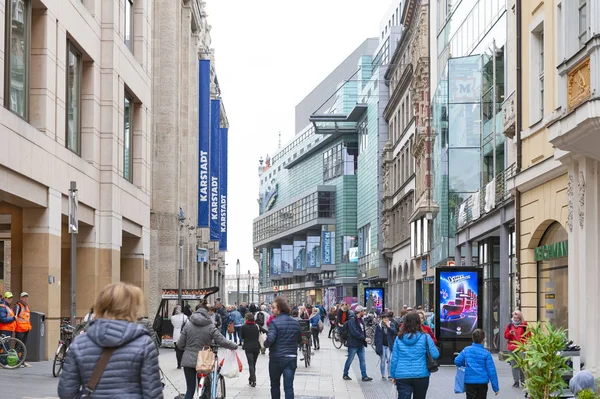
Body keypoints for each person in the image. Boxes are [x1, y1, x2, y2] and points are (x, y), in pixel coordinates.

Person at [57, 282, 163, 398]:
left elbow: (66, 393)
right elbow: (153, 395)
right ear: (132, 308)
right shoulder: (144, 344)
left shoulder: (79, 343)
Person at [177, 299, 237, 399]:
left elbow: (179, 344)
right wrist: (234, 345)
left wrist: (188, 348)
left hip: (188, 360)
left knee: (190, 390)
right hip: (204, 361)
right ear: (207, 313)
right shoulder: (210, 326)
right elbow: (221, 340)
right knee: (206, 389)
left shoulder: (188, 325)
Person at [390, 312, 440, 399]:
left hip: (402, 375)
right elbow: (435, 355)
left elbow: (394, 359)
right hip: (421, 375)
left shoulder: (399, 338)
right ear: (419, 322)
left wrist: (393, 375)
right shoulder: (426, 337)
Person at [264, 297, 301, 399]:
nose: (272, 310)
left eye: (274, 308)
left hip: (276, 358)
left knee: (275, 385)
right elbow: (299, 340)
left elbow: (270, 339)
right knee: (289, 387)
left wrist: (265, 343)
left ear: (279, 308)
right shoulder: (295, 323)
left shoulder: (274, 322)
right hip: (291, 358)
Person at [454, 329, 499, 399]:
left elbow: (457, 361)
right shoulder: (486, 353)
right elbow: (491, 371)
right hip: (482, 382)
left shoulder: (466, 350)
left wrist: (464, 364)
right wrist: (495, 388)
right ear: (483, 339)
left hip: (469, 381)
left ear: (472, 338)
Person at [342, 306, 373, 382]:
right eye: (363, 311)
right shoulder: (352, 320)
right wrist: (364, 338)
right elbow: (354, 332)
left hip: (360, 343)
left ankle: (364, 376)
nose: (364, 313)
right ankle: (345, 374)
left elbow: (362, 331)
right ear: (360, 312)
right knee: (350, 359)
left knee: (362, 360)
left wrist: (364, 339)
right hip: (353, 344)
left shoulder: (361, 320)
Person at [504, 310, 529, 388]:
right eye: (514, 317)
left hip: (521, 348)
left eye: (517, 317)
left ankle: (523, 381)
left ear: (520, 318)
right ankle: (516, 381)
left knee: (522, 365)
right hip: (511, 348)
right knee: (514, 365)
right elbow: (505, 336)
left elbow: (528, 335)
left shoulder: (524, 325)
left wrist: (524, 343)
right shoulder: (510, 325)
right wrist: (510, 334)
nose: (515, 319)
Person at [240, 313, 265, 387]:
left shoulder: (244, 327)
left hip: (248, 347)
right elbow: (265, 331)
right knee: (253, 363)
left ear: (246, 319)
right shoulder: (257, 326)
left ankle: (253, 379)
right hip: (256, 347)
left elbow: (242, 336)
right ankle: (251, 378)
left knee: (250, 363)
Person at [374, 312, 398, 380]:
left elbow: (395, 332)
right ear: (382, 319)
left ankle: (389, 374)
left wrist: (389, 326)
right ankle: (383, 375)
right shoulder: (379, 326)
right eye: (384, 318)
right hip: (382, 345)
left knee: (389, 360)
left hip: (389, 345)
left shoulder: (391, 324)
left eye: (387, 318)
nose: (386, 319)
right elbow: (376, 337)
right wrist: (376, 345)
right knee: (383, 360)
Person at [171, 305, 188, 369]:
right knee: (183, 350)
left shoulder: (172, 318)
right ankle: (183, 362)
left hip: (175, 335)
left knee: (177, 351)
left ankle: (179, 364)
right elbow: (187, 325)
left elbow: (173, 324)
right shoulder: (185, 317)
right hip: (183, 335)